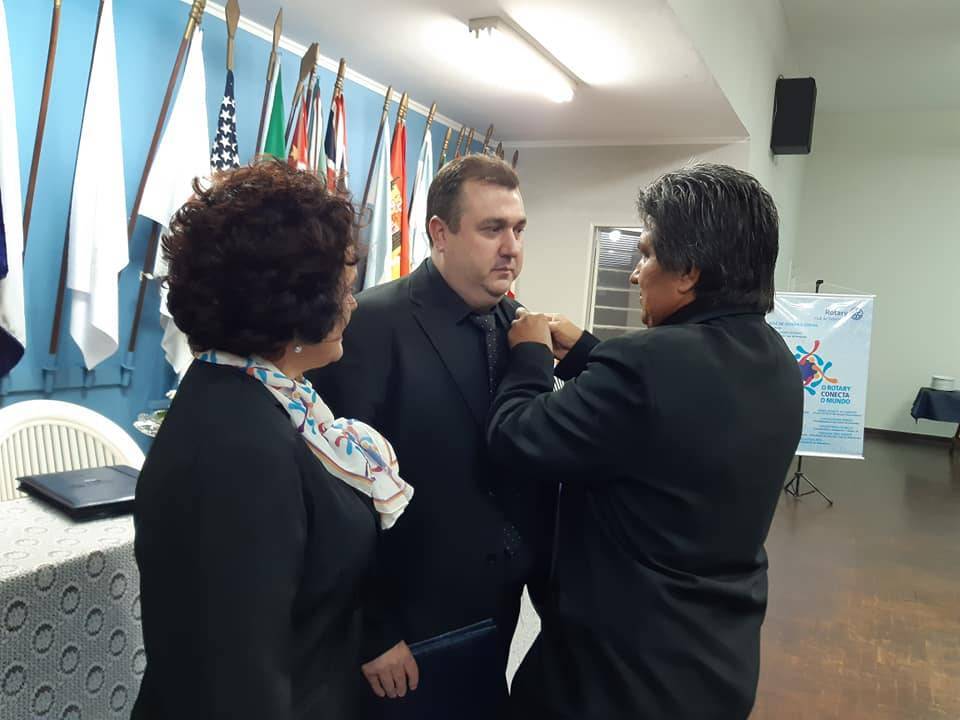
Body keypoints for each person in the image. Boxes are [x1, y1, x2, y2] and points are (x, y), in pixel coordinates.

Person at [488, 163, 804, 719]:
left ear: (689, 273)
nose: (635, 275)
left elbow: (516, 436)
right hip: (713, 663)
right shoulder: (774, 359)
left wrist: (530, 356)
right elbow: (677, 417)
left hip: (617, 676)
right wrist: (588, 352)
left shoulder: (650, 366)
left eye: (647, 255)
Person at [132, 162, 412, 720]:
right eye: (344, 287)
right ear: (293, 301)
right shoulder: (241, 444)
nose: (353, 302)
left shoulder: (267, 397)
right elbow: (234, 677)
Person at [308, 154, 552, 716]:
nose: (511, 248)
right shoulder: (371, 324)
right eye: (492, 229)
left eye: (518, 229)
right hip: (405, 625)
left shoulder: (520, 328)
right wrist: (373, 629)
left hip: (498, 608)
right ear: (440, 233)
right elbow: (334, 495)